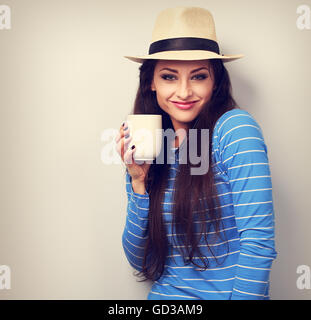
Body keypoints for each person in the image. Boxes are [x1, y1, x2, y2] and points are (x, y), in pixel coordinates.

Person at [115, 6, 277, 300]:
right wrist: (138, 183)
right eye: (169, 77)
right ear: (151, 82)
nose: (184, 91)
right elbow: (142, 262)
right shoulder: (154, 147)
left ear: (215, 81)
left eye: (198, 76)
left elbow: (259, 243)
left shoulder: (234, 128)